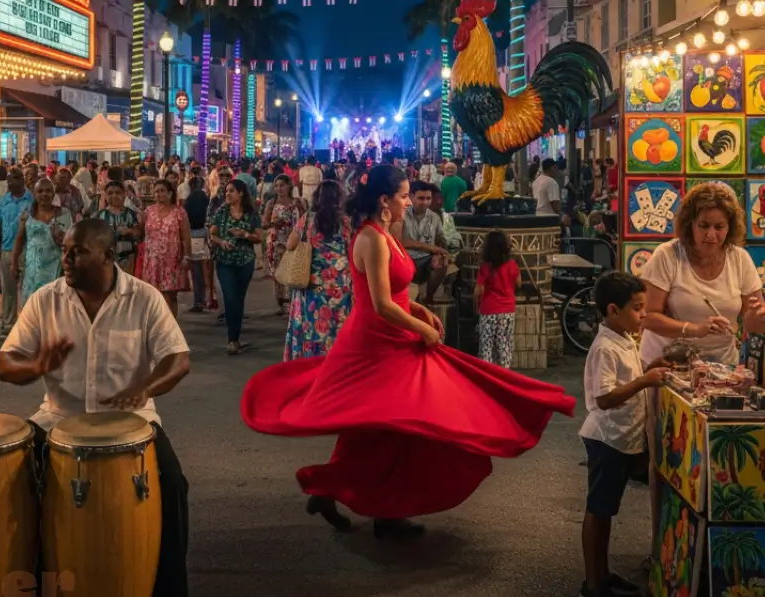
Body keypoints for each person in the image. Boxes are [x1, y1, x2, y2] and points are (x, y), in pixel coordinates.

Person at [241, 164, 575, 539]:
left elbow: (395, 294)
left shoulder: (385, 232)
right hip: (377, 343)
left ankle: (361, 500)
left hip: (394, 336)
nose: (409, 202)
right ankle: (349, 495)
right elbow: (381, 303)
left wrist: (420, 310)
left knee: (388, 428)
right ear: (385, 201)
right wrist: (421, 328)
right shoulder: (371, 238)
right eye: (403, 196)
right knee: (393, 424)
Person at [0, 219, 197, 597]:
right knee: (11, 487)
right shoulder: (44, 300)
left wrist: (145, 388)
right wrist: (36, 366)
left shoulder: (144, 298)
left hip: (133, 423)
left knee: (173, 486)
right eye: (65, 249)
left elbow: (177, 359)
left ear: (108, 255)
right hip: (58, 419)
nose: (66, 258)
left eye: (77, 251)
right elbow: (5, 363)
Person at [578, 273, 669, 597]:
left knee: (607, 511)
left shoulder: (624, 337)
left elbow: (627, 377)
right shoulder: (604, 346)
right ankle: (593, 585)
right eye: (638, 308)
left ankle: (603, 574)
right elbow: (603, 398)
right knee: (599, 512)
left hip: (621, 439)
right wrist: (645, 380)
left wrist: (651, 367)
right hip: (607, 440)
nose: (644, 314)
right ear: (613, 310)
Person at [638, 181, 765, 367]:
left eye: (719, 227)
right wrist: (694, 329)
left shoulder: (740, 259)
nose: (711, 235)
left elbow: (752, 324)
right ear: (690, 225)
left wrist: (756, 316)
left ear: (730, 227)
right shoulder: (667, 255)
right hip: (668, 364)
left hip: (721, 366)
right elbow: (648, 317)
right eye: (704, 226)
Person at [283, 180, 352, 360]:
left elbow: (290, 244)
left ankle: (311, 360)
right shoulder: (346, 221)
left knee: (312, 323)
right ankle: (335, 361)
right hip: (339, 282)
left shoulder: (308, 219)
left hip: (311, 281)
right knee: (338, 323)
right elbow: (351, 248)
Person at [209, 179, 262, 355]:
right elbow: (212, 235)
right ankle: (231, 339)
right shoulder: (221, 212)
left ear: (240, 193)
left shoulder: (251, 213)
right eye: (226, 191)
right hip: (225, 261)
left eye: (232, 191)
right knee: (230, 298)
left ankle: (236, 337)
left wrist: (245, 234)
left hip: (245, 261)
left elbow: (259, 237)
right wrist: (221, 242)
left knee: (238, 299)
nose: (228, 194)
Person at [12, 177, 73, 307]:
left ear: (53, 193)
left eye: (48, 191)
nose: (44, 194)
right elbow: (20, 239)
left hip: (56, 270)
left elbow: (71, 242)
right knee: (32, 308)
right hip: (32, 272)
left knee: (55, 307)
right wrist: (14, 263)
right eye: (40, 191)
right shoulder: (27, 215)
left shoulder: (63, 213)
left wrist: (60, 237)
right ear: (34, 194)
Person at [141, 179, 192, 319]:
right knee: (154, 296)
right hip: (153, 261)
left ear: (170, 194)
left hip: (173, 261)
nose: (159, 194)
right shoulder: (148, 211)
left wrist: (187, 256)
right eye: (156, 191)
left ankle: (171, 327)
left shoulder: (179, 212)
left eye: (162, 191)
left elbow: (186, 236)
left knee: (170, 296)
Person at [0, 166, 33, 335]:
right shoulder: (2, 202)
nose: (9, 183)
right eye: (8, 180)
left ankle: (27, 324)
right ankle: (9, 324)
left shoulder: (32, 200)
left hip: (28, 250)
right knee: (8, 290)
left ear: (21, 181)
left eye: (13, 179)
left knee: (27, 289)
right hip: (7, 250)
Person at [394, 182, 449, 303]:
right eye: (421, 198)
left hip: (425, 260)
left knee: (441, 262)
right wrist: (430, 248)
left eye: (428, 198)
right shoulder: (402, 215)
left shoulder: (434, 217)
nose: (425, 202)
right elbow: (398, 241)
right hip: (405, 259)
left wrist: (441, 253)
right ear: (411, 197)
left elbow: (440, 241)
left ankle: (429, 298)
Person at [474, 229, 520, 368]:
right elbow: (518, 283)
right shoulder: (512, 265)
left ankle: (488, 377)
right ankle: (504, 376)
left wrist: (475, 303)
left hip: (489, 310)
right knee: (504, 345)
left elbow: (479, 290)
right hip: (507, 311)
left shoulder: (485, 267)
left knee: (486, 347)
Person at [263, 174, 304, 315]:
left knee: (291, 271)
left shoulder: (296, 202)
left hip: (291, 240)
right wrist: (274, 223)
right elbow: (264, 223)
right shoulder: (272, 203)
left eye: (282, 185)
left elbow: (305, 220)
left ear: (289, 187)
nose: (279, 189)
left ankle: (291, 301)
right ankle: (280, 301)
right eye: (277, 186)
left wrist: (301, 208)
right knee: (277, 272)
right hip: (276, 242)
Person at [96, 179, 143, 273]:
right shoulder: (100, 215)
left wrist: (129, 231)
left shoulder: (131, 214)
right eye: (110, 193)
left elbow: (140, 234)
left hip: (128, 260)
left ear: (124, 194)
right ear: (105, 195)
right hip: (106, 260)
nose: (114, 196)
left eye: (118, 193)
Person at [183, 177, 212, 312]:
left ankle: (198, 300)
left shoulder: (189, 199)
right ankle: (207, 299)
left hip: (192, 235)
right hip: (204, 234)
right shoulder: (206, 198)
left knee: (196, 272)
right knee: (205, 271)